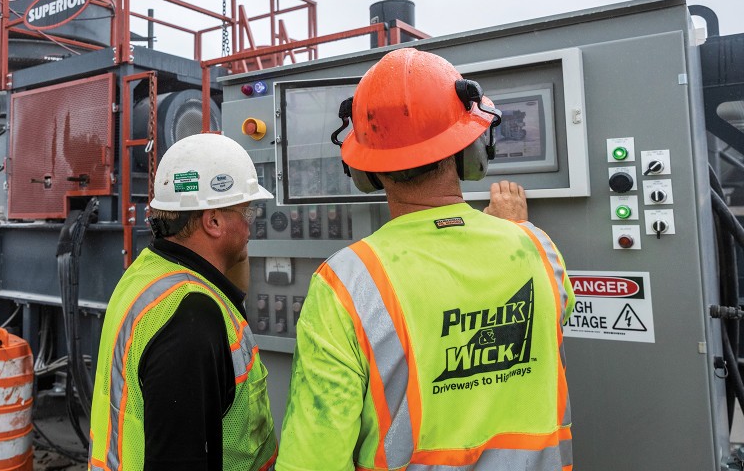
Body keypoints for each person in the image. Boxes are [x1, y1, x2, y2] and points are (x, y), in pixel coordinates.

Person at [277, 48, 576, 471]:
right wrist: (515, 230)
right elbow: (553, 315)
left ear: (364, 170)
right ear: (472, 152)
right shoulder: (538, 249)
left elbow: (312, 460)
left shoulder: (345, 283)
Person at [88, 132, 278, 471]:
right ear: (213, 221)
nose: (250, 225)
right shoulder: (191, 317)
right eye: (245, 212)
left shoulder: (147, 273)